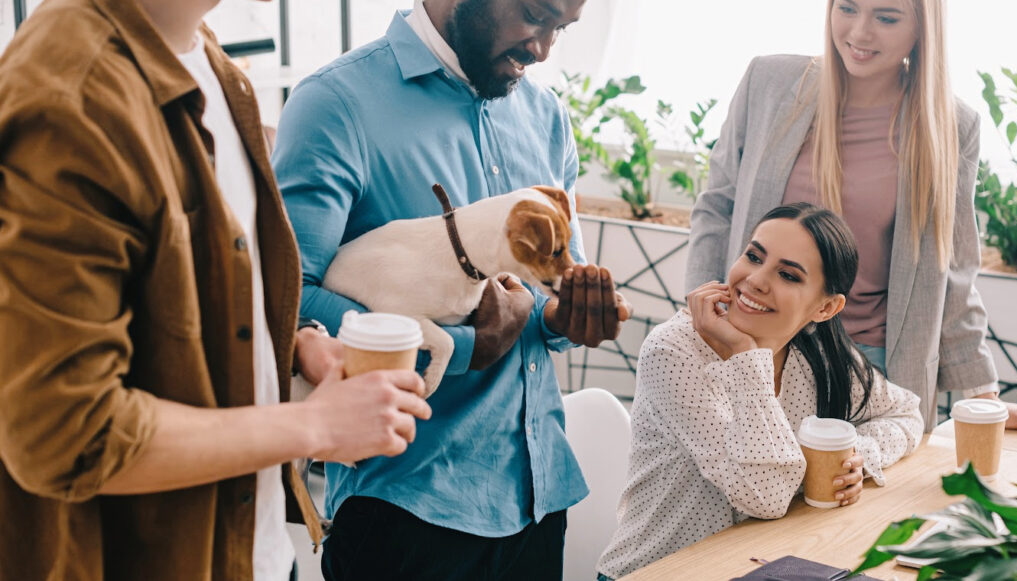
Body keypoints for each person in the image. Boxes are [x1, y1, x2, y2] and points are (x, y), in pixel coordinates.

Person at [0, 0, 433, 579]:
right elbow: (67, 433)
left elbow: (187, 296)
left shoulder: (205, 57)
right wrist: (315, 426)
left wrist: (294, 347)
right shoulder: (74, 93)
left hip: (250, 552)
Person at [272, 0, 628, 578]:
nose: (541, 48)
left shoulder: (547, 116)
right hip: (405, 509)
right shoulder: (336, 105)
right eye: (536, 14)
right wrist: (464, 347)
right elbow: (287, 302)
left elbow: (544, 300)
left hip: (540, 498)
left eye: (560, 29)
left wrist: (567, 318)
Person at [685, 0, 1017, 431]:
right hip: (753, 347)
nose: (860, 32)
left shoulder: (950, 124)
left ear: (921, 29)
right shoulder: (769, 82)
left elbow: (954, 269)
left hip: (868, 371)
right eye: (848, 8)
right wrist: (696, 328)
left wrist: (985, 401)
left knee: (859, 496)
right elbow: (716, 210)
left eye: (886, 17)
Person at [597, 203, 924, 579]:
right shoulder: (674, 351)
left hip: (759, 565)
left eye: (787, 275)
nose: (755, 280)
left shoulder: (816, 350)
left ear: (826, 307)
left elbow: (905, 414)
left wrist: (854, 459)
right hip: (659, 571)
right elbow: (765, 495)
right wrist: (743, 355)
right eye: (754, 256)